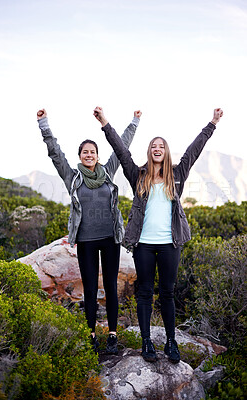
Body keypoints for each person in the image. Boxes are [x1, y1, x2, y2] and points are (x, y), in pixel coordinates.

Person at [94, 106, 223, 363]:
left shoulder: (176, 175)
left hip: (169, 244)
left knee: (167, 293)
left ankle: (171, 343)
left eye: (161, 146)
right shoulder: (138, 175)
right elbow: (121, 151)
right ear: (149, 151)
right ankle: (146, 343)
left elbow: (193, 151)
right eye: (153, 145)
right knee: (144, 292)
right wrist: (105, 123)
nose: (157, 148)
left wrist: (212, 123)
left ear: (165, 152)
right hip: (143, 244)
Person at [37, 107, 142, 355]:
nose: (89, 155)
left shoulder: (108, 172)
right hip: (85, 241)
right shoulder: (72, 177)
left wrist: (134, 122)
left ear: (97, 155)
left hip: (109, 239)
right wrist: (44, 125)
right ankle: (92, 334)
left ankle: (113, 335)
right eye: (85, 152)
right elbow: (55, 154)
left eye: (93, 152)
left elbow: (122, 146)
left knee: (110, 287)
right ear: (80, 156)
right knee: (91, 289)